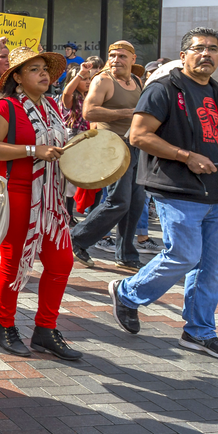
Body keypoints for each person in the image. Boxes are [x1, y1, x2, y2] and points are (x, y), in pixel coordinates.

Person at [109, 28, 218, 361]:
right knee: (184, 256)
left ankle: (199, 332)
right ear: (183, 55)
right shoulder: (164, 88)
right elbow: (139, 136)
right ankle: (127, 294)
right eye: (199, 48)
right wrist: (186, 156)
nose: (207, 54)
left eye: (214, 49)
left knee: (212, 269)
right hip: (178, 189)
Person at [0, 47, 81, 361]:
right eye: (34, 69)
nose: (44, 74)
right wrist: (31, 150)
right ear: (18, 78)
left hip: (49, 196)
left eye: (45, 69)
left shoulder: (52, 106)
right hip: (16, 192)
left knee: (61, 262)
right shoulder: (5, 106)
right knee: (14, 264)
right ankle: (5, 326)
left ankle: (45, 330)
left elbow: (55, 146)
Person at [70, 43, 146, 271]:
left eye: (122, 56)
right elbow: (89, 112)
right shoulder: (103, 80)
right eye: (112, 55)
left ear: (133, 58)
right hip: (111, 146)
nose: (115, 60)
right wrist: (126, 113)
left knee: (135, 203)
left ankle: (125, 253)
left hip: (134, 146)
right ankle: (76, 239)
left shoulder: (137, 81)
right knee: (119, 201)